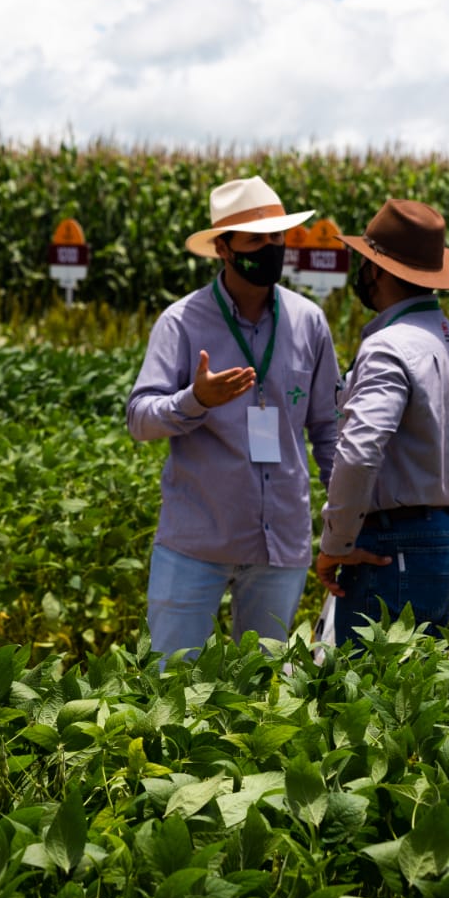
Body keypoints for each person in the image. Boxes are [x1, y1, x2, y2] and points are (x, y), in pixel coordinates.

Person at [127, 174, 345, 659]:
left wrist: (343, 517)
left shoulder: (308, 321)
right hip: (196, 543)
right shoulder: (182, 322)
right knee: (173, 681)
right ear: (223, 248)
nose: (271, 248)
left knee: (262, 686)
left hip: (280, 543)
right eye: (255, 241)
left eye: (277, 237)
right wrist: (195, 399)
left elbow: (328, 429)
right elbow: (140, 418)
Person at [314, 199, 449, 646]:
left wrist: (336, 543)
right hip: (445, 536)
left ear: (378, 270)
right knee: (416, 682)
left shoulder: (388, 346)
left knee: (367, 683)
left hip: (391, 544)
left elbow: (359, 452)